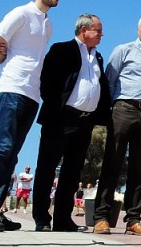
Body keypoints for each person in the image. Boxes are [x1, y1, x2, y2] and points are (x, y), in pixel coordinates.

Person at [0, 0, 64, 232]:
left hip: (31, 95)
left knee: (11, 155)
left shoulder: (47, 24)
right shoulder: (20, 14)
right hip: (11, 89)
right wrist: (11, 66)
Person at [32, 14, 110, 232]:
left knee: (72, 172)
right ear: (84, 30)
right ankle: (41, 217)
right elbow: (47, 82)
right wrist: (57, 108)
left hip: (85, 122)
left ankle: (63, 219)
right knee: (47, 168)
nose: (102, 34)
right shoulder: (61, 49)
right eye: (98, 30)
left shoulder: (98, 58)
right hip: (61, 119)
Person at [93, 13, 141, 236]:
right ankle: (101, 217)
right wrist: (109, 111)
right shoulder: (123, 50)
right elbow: (108, 82)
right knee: (112, 163)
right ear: (138, 29)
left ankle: (133, 219)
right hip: (123, 108)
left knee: (139, 168)